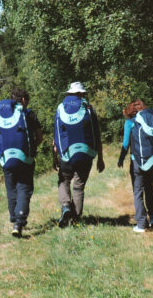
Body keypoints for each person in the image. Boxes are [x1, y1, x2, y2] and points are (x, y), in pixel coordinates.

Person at [0, 88, 43, 237]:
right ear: (22, 100)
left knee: (11, 189)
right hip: (25, 158)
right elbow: (39, 138)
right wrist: (30, 149)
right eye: (27, 101)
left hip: (6, 159)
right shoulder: (28, 114)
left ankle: (14, 218)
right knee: (24, 188)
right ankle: (19, 222)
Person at [53, 81, 105, 227]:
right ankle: (75, 220)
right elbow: (97, 135)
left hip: (66, 154)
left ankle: (65, 206)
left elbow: (56, 137)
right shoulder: (88, 108)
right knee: (78, 186)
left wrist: (55, 157)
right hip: (86, 153)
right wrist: (100, 158)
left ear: (69, 94)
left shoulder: (60, 108)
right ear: (81, 94)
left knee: (63, 180)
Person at [117, 99, 153, 233]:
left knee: (138, 190)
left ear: (130, 110)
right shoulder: (151, 120)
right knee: (149, 186)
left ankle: (141, 224)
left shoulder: (130, 122)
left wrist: (121, 159)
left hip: (137, 161)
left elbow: (125, 144)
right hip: (152, 160)